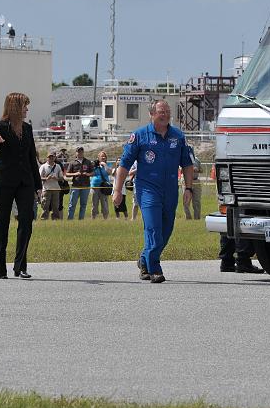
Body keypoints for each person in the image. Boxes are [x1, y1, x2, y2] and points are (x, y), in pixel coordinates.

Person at [112, 100, 193, 283]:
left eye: (167, 111)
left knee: (166, 230)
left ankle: (144, 260)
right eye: (161, 111)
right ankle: (155, 268)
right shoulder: (140, 136)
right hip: (148, 189)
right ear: (152, 114)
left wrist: (188, 188)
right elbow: (124, 165)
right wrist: (117, 190)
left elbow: (187, 164)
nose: (165, 114)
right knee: (153, 228)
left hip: (171, 190)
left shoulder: (178, 136)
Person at [0, 92, 41, 279]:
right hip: (4, 182)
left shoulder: (27, 128)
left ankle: (20, 266)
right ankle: (0, 269)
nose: (27, 109)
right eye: (24, 106)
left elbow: (31, 158)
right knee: (1, 225)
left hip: (25, 182)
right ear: (15, 107)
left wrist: (38, 185)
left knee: (26, 223)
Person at [65, 146, 93, 220]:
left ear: (83, 152)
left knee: (83, 204)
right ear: (76, 153)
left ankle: (81, 219)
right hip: (75, 186)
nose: (80, 153)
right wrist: (75, 174)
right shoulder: (72, 163)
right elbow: (67, 174)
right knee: (72, 204)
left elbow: (93, 172)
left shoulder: (88, 162)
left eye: (81, 151)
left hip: (86, 186)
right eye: (78, 151)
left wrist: (88, 174)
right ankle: (70, 219)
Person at [39, 151, 63, 220]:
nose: (51, 158)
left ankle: (55, 220)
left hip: (56, 189)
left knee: (55, 207)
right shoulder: (43, 166)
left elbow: (62, 178)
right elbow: (39, 177)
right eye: (49, 157)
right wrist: (46, 178)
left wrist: (57, 178)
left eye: (52, 157)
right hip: (46, 189)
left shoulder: (58, 166)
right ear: (47, 158)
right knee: (45, 206)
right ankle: (44, 219)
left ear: (55, 157)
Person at [183, 145, 203, 220]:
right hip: (186, 181)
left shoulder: (197, 160)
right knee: (186, 201)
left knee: (197, 201)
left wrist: (197, 169)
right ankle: (188, 217)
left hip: (196, 181)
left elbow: (202, 170)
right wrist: (190, 169)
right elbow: (180, 171)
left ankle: (197, 218)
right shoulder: (183, 159)